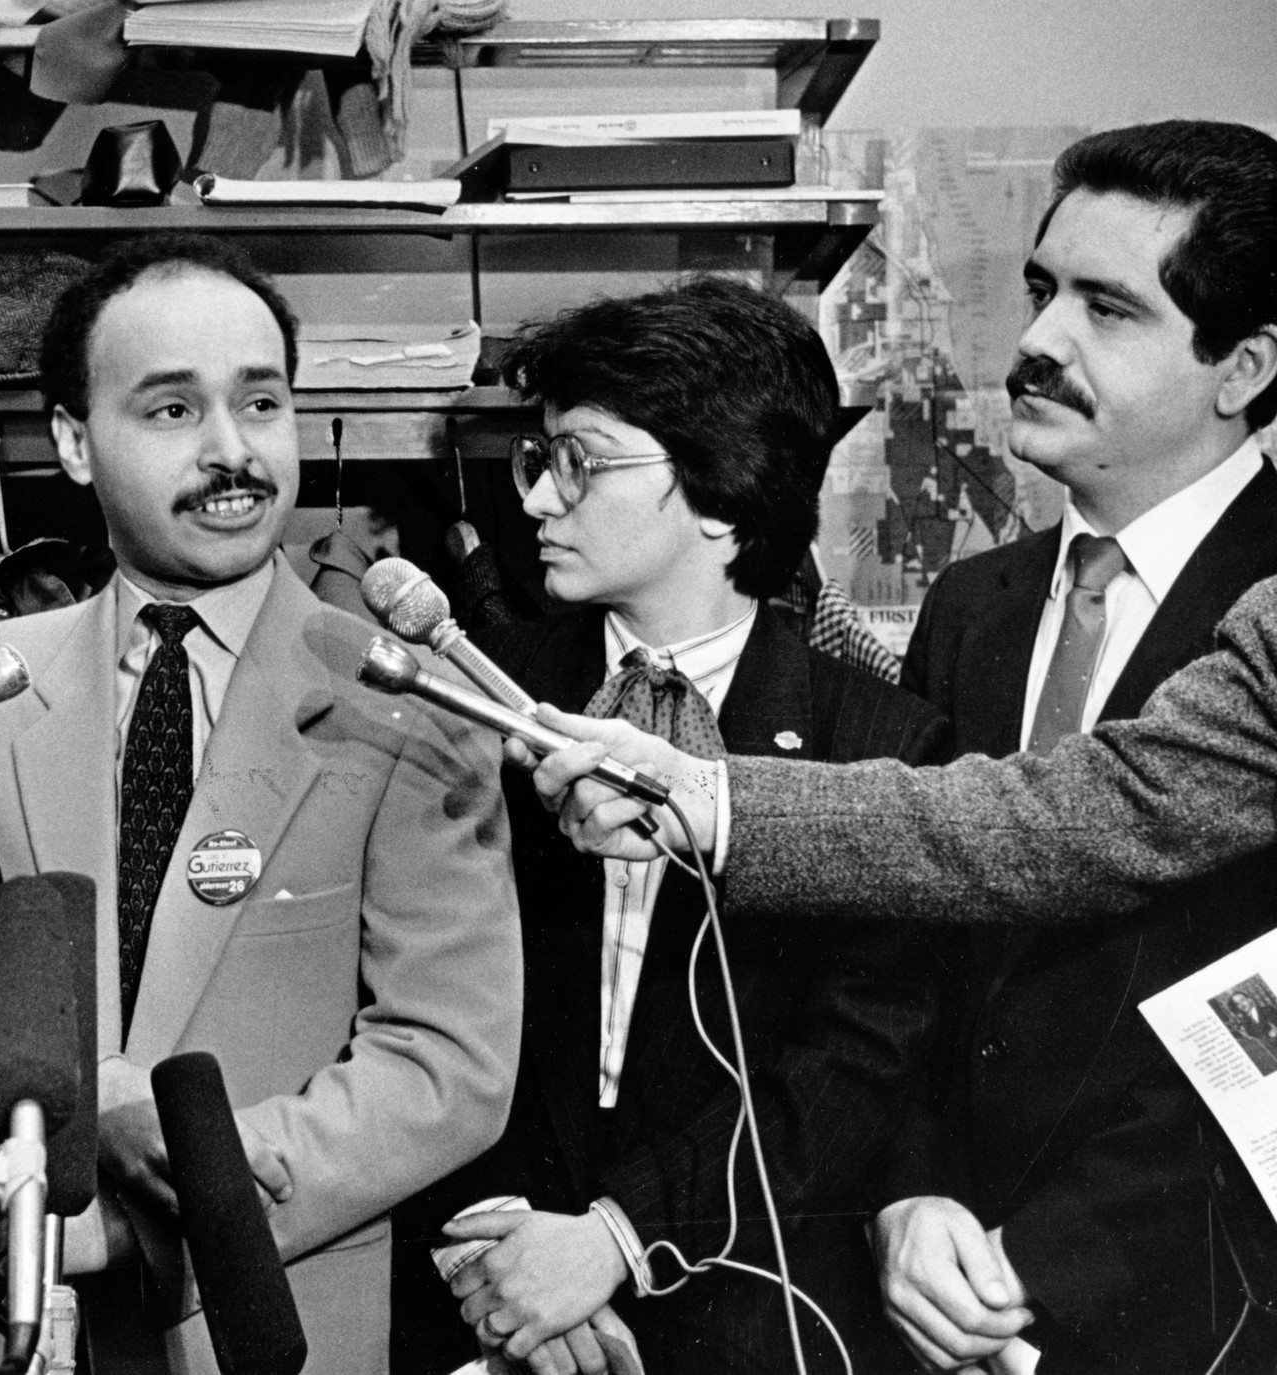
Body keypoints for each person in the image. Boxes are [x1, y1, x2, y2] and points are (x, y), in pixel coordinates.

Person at [0, 233, 523, 1375]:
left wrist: (178, 1192)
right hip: (3, 1320)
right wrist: (83, 1102)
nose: (231, 451)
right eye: (170, 411)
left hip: (262, 1318)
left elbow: (446, 1063)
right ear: (71, 439)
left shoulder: (402, 698)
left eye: (260, 402)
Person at [402, 280, 947, 1375]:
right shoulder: (476, 698)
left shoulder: (882, 746)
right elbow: (419, 1009)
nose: (538, 502)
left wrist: (616, 1239)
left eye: (580, 463)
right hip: (493, 1297)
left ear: (720, 490)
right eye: (533, 460)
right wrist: (508, 1267)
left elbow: (855, 1069)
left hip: (755, 1311)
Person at [865, 120, 1277, 1375]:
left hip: (1210, 1319)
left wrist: (1041, 1270)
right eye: (1038, 290)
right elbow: (905, 960)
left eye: (1106, 309)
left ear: (1240, 364)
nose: (1035, 343)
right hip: (935, 1301)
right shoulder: (972, 608)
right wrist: (906, 1201)